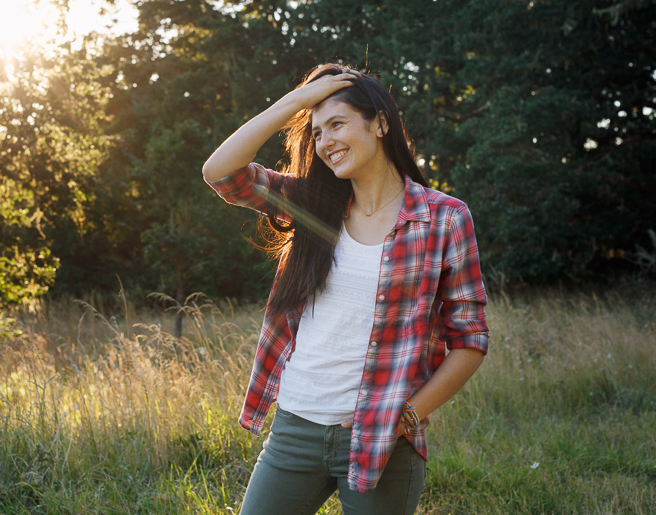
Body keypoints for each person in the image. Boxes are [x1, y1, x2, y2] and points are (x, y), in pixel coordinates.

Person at [201, 63, 489, 515]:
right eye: (316, 133)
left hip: (383, 438)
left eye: (337, 124)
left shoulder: (444, 218)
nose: (326, 141)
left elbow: (470, 340)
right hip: (296, 426)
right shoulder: (312, 204)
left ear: (380, 123)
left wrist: (406, 418)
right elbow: (221, 173)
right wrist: (296, 102)